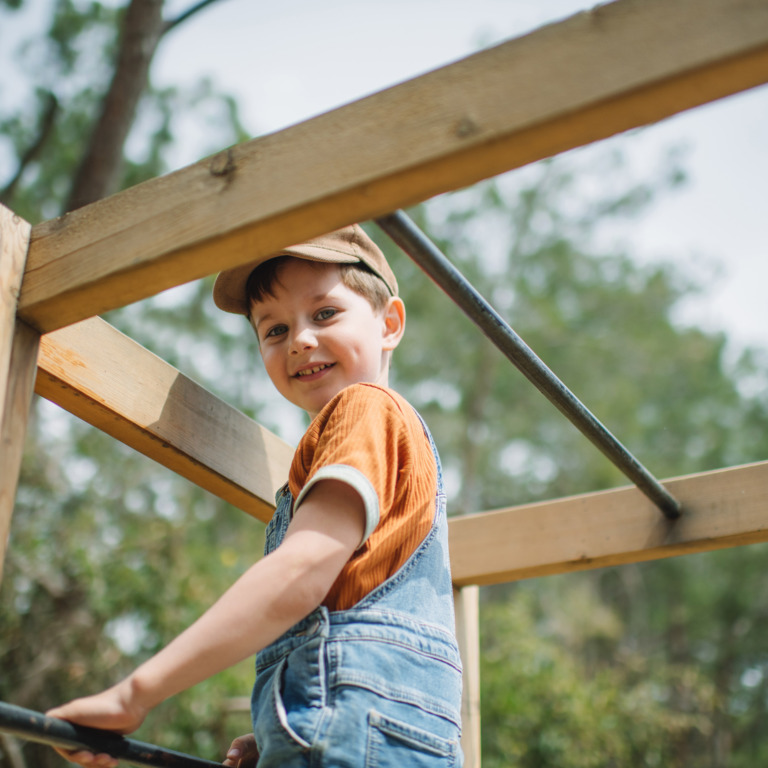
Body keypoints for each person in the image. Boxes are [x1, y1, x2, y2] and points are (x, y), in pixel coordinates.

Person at [47, 224, 464, 767]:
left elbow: (301, 572)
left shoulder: (364, 409)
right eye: (274, 330)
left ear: (389, 324)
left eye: (325, 314)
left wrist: (135, 693)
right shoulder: (389, 440)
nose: (300, 340)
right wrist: (285, 719)